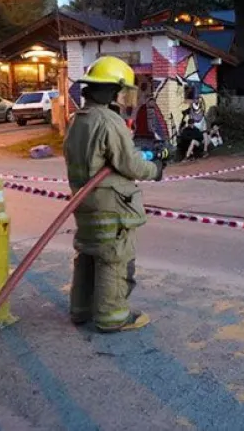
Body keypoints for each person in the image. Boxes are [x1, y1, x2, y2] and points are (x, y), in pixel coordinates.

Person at [64, 56, 166, 333]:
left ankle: (81, 310)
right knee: (113, 257)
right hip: (110, 204)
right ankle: (112, 317)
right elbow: (130, 164)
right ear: (112, 90)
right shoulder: (109, 121)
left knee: (88, 254)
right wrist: (155, 169)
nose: (123, 97)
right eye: (122, 91)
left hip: (84, 202)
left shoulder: (78, 120)